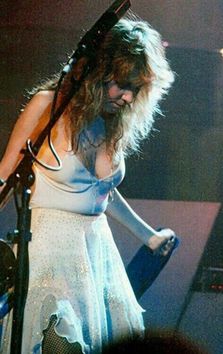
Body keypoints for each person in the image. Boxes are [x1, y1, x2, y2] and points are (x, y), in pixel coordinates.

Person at [0, 16, 175, 354]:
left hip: (96, 254)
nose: (126, 96)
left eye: (134, 89)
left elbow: (102, 192)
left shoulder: (111, 123)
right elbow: (5, 174)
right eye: (121, 84)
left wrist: (148, 236)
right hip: (50, 252)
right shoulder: (48, 106)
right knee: (58, 343)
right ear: (97, 73)